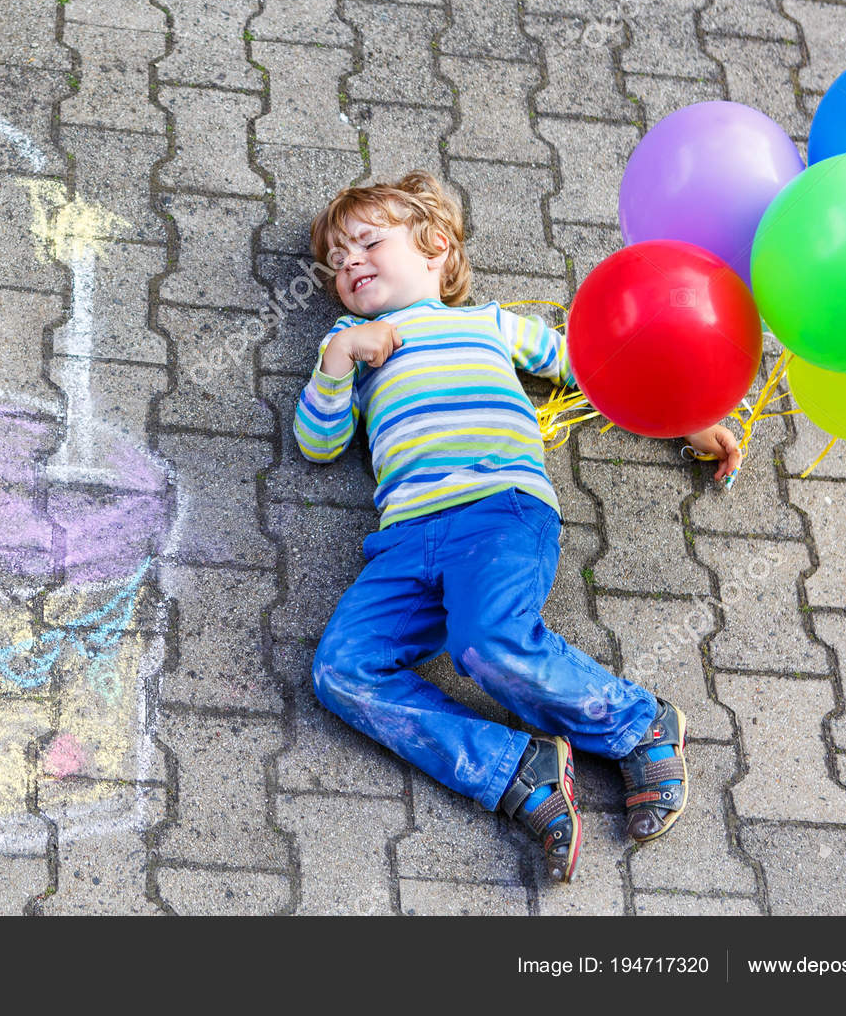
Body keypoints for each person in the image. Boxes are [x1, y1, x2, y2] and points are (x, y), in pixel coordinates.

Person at [294, 171, 741, 883]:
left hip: (498, 512)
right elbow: (318, 444)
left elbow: (599, 370)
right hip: (404, 542)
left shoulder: (489, 324)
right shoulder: (350, 342)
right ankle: (516, 769)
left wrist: (686, 417)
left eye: (368, 244)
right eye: (337, 262)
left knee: (486, 642)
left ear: (436, 247)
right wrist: (338, 359)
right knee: (340, 671)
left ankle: (637, 724)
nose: (350, 264)